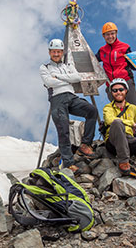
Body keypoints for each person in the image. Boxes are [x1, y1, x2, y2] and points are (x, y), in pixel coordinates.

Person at [40, 39, 98, 172]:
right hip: (57, 98)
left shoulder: (68, 65)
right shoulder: (45, 67)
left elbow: (77, 78)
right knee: (63, 130)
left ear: (62, 52)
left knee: (91, 111)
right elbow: (49, 82)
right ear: (49, 52)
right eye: (53, 51)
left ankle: (85, 145)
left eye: (58, 51)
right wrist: (66, 79)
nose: (56, 54)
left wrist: (58, 77)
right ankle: (68, 163)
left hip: (72, 97)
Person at [96, 22, 136, 137]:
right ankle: (126, 135)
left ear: (116, 33)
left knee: (133, 108)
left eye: (112, 34)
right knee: (117, 109)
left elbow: (133, 65)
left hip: (126, 82)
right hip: (111, 85)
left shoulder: (124, 47)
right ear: (103, 36)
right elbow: (91, 62)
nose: (110, 37)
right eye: (107, 34)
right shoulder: (102, 51)